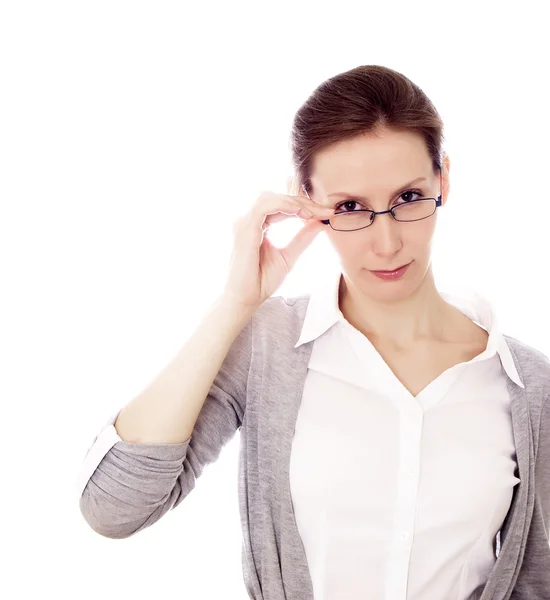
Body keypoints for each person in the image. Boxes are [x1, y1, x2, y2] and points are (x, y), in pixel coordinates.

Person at [76, 65, 550, 600]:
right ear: (305, 201)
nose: (387, 242)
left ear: (444, 179)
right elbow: (114, 510)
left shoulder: (530, 385)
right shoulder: (268, 348)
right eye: (350, 207)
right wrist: (235, 305)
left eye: (410, 197)